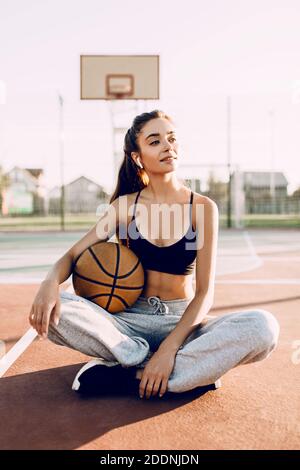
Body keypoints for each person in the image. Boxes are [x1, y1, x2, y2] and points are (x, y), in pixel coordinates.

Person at [29, 110, 280, 400]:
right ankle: (186, 375)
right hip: (127, 324)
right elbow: (74, 255)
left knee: (263, 327)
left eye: (171, 139)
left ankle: (130, 374)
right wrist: (49, 282)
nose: (167, 146)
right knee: (57, 310)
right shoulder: (125, 206)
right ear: (138, 156)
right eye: (155, 141)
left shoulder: (202, 208)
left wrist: (170, 348)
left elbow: (204, 293)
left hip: (183, 323)